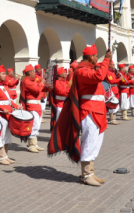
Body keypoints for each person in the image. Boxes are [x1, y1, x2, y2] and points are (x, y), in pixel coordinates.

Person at [48, 45, 112, 186]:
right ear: (90, 57)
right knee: (89, 142)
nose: (97, 58)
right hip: (89, 110)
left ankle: (91, 172)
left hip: (97, 110)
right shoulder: (82, 71)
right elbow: (99, 76)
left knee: (95, 141)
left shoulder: (88, 69)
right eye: (96, 56)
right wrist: (106, 60)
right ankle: (86, 174)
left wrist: (106, 61)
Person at [0, 65, 21, 165]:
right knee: (1, 136)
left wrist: (16, 105)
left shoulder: (4, 85)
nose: (5, 75)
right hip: (0, 114)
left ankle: (5, 155)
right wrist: (2, 109)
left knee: (7, 135)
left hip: (8, 114)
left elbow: (9, 100)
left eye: (4, 73)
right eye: (3, 74)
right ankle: (0, 157)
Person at [21, 64, 46, 153]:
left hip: (37, 105)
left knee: (37, 124)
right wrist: (41, 83)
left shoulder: (32, 80)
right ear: (30, 73)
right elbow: (36, 90)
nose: (35, 73)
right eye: (33, 72)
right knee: (34, 125)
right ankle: (31, 144)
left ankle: (34, 143)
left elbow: (39, 89)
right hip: (32, 106)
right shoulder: (27, 81)